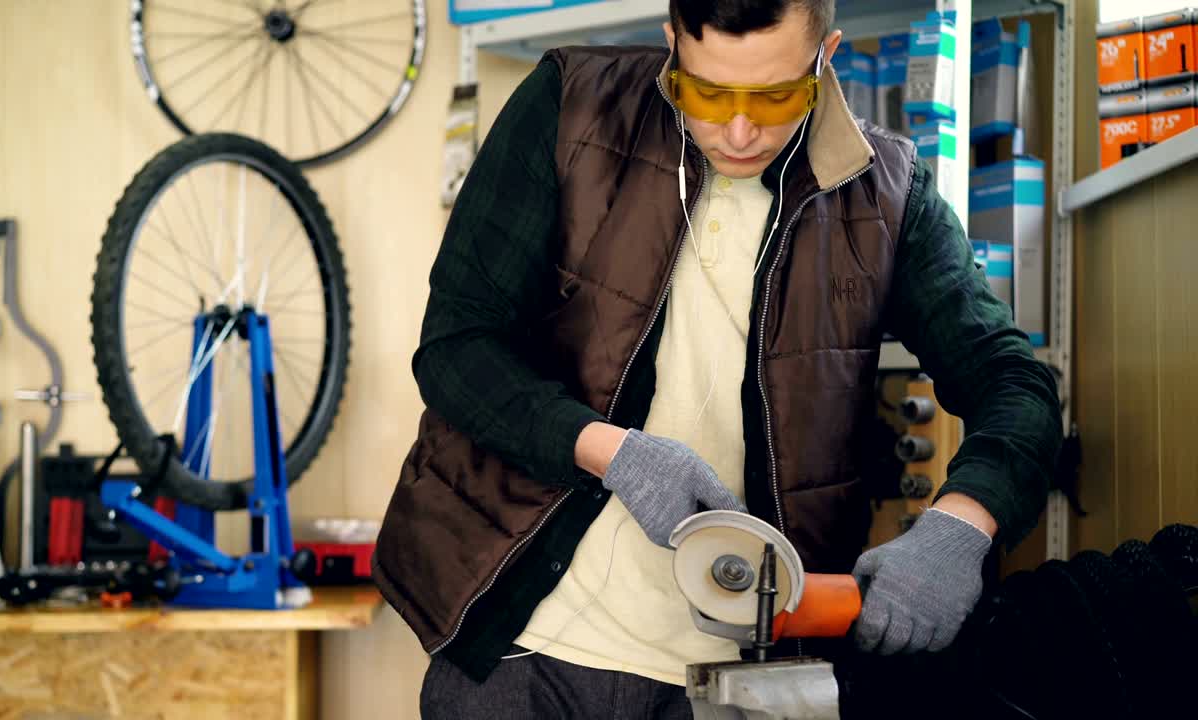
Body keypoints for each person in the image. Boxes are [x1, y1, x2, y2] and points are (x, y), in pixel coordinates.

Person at [374, 0, 1063, 717]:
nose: (739, 131)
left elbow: (1016, 385)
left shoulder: (887, 193)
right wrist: (613, 453)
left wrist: (961, 525)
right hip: (522, 650)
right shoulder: (570, 106)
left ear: (824, 55)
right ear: (672, 44)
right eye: (705, 93)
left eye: (775, 96)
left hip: (742, 680)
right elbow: (457, 346)